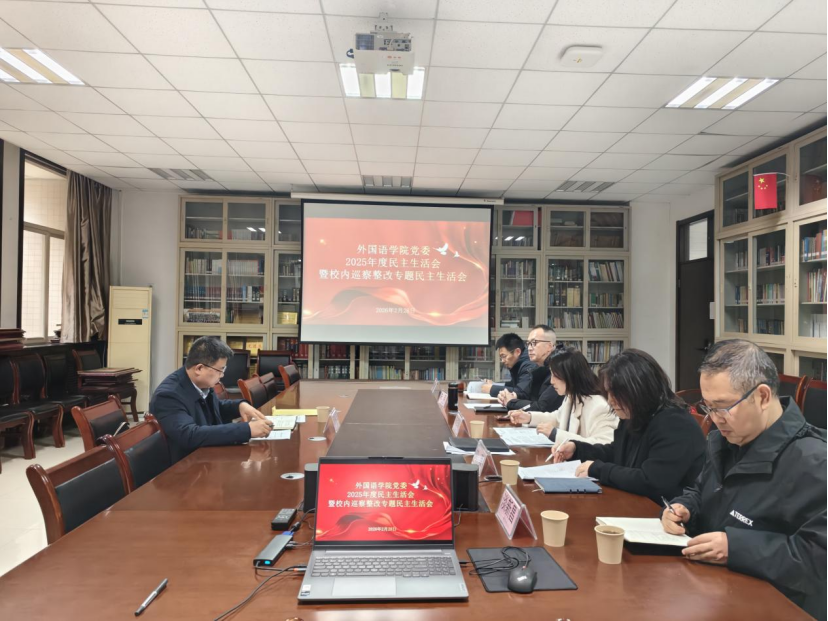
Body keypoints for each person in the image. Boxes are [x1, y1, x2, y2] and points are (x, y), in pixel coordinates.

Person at [662, 340, 826, 620]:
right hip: (713, 593)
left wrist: (735, 548)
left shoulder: (814, 463)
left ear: (762, 397)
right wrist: (685, 507)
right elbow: (702, 491)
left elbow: (816, 559)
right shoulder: (727, 441)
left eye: (723, 407)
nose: (715, 419)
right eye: (708, 407)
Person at [553, 349, 705, 504]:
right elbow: (617, 452)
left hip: (663, 511)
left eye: (616, 393)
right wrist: (578, 449)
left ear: (639, 389)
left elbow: (651, 481)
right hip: (636, 503)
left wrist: (598, 469)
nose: (610, 401)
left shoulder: (675, 423)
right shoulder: (635, 413)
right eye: (608, 393)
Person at [150, 336, 273, 463]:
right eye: (220, 370)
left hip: (208, 457)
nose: (222, 375)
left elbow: (214, 408)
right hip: (188, 465)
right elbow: (190, 435)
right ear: (199, 369)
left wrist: (239, 406)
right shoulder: (168, 395)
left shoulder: (201, 383)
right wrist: (247, 430)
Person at [509, 347, 618, 447]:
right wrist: (529, 417)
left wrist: (556, 434)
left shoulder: (600, 406)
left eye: (555, 376)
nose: (551, 381)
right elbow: (558, 418)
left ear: (570, 376)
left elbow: (603, 445)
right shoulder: (571, 396)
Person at [497, 325, 564, 415]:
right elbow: (528, 394)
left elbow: (542, 407)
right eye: (528, 344)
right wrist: (512, 395)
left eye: (534, 343)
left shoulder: (560, 368)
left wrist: (511, 402)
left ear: (549, 346)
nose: (529, 348)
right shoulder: (538, 368)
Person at [479, 333, 536, 399]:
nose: (502, 361)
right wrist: (494, 384)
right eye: (501, 357)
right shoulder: (518, 364)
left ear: (517, 352)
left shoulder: (528, 365)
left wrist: (492, 389)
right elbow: (513, 385)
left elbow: (522, 392)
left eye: (504, 356)